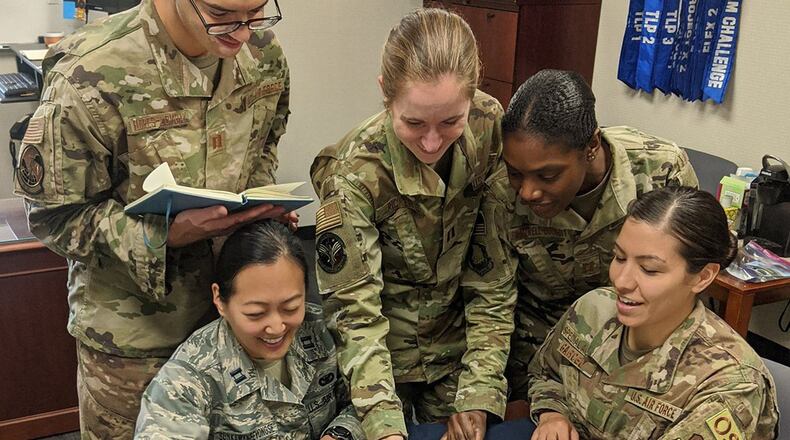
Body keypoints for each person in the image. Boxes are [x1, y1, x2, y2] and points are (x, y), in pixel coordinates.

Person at [12, 0, 292, 437]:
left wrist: (259, 215)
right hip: (135, 344)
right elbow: (53, 217)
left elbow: (263, 147)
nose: (241, 33)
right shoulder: (90, 72)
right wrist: (161, 235)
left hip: (234, 325)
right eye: (220, 15)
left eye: (257, 11)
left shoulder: (264, 53)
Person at [310, 8, 517, 440]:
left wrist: (479, 391)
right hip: (378, 363)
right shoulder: (354, 173)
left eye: (449, 122)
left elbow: (493, 277)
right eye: (414, 122)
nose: (431, 141)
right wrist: (385, 426)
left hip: (460, 351)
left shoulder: (488, 128)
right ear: (386, 93)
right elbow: (355, 313)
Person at [502, 69, 699, 399]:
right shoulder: (500, 189)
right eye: (516, 174)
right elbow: (494, 296)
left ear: (591, 146)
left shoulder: (661, 171)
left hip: (635, 355)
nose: (527, 192)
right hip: (535, 358)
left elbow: (686, 285)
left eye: (547, 175)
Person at [527, 186, 779, 440]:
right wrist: (552, 414)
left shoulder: (727, 383)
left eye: (649, 269)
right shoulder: (593, 310)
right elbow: (546, 373)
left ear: (702, 277)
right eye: (619, 257)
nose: (622, 281)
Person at [135, 221, 362, 439]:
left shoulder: (323, 330)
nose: (276, 328)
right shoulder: (187, 378)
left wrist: (340, 433)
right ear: (220, 300)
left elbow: (370, 400)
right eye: (256, 313)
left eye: (290, 307)